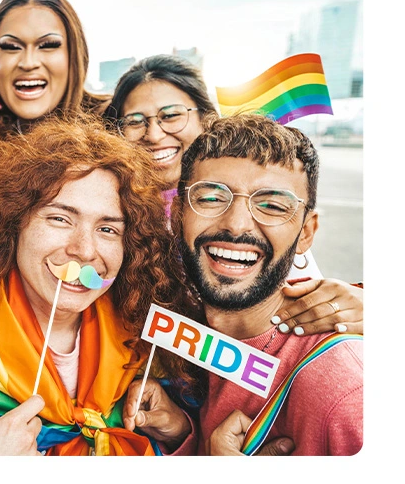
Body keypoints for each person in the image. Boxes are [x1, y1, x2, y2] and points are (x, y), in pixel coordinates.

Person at [0, 115, 203, 456]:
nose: (84, 249)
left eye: (108, 229)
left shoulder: (147, 346)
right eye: (60, 219)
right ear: (14, 222)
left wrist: (179, 433)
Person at [124, 114, 362, 456]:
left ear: (307, 231)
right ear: (177, 215)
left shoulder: (344, 391)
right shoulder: (188, 328)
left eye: (272, 206)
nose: (236, 225)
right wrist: (182, 434)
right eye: (210, 199)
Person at [104, 54, 363, 336]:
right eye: (134, 121)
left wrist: (360, 302)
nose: (154, 134)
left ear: (206, 118)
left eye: (171, 115)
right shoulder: (105, 207)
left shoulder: (268, 211)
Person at [0, 0, 109, 137]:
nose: (28, 63)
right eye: (12, 47)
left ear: (75, 55)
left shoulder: (119, 121)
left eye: (48, 45)